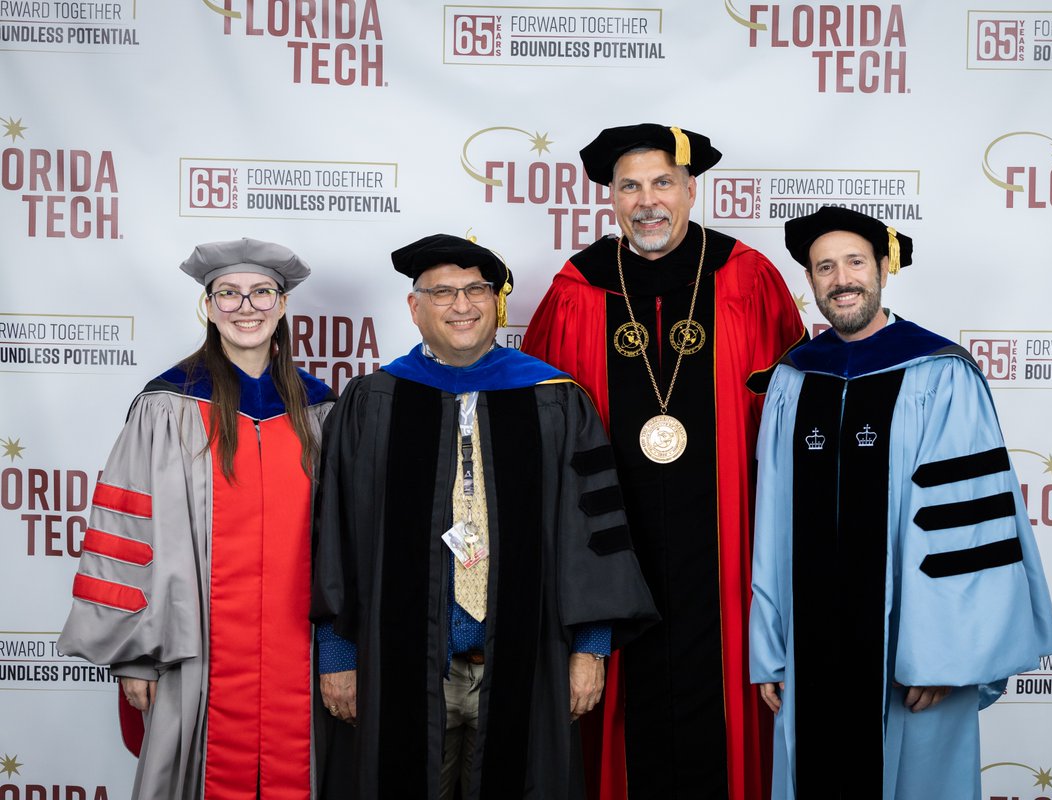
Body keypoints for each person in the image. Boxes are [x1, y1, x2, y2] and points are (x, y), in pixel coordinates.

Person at [311, 234, 657, 800]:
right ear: (414, 307)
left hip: (527, 665)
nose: (462, 304)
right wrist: (338, 655)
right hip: (403, 668)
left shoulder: (555, 399)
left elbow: (590, 533)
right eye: (442, 292)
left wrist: (591, 649)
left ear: (497, 302)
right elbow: (337, 537)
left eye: (476, 289)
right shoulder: (372, 402)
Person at [522, 123, 807, 800]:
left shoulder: (747, 277)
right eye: (630, 186)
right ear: (611, 198)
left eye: (662, 183)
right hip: (613, 550)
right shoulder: (577, 288)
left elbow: (797, 417)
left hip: (727, 548)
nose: (648, 201)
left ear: (690, 190)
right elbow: (536, 434)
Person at [749, 206, 1052, 800]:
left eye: (855, 262)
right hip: (809, 651)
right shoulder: (793, 379)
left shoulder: (940, 373)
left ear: (884, 269)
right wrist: (770, 648)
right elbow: (772, 524)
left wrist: (943, 655)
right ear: (811, 282)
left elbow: (964, 525)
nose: (841, 279)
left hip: (915, 656)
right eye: (824, 267)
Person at [59, 238, 336, 799]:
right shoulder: (167, 405)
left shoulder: (320, 410)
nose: (246, 307)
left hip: (300, 652)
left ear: (281, 305)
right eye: (228, 294)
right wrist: (135, 653)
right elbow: (126, 528)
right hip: (195, 650)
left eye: (262, 293)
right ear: (208, 307)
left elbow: (346, 540)